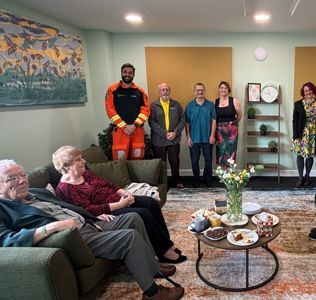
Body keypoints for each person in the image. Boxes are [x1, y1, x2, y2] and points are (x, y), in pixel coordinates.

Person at [0, 160, 184, 300]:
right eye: (12, 178)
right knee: (129, 237)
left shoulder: (37, 192)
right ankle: (152, 293)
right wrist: (52, 227)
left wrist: (94, 215)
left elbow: (69, 206)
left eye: (22, 175)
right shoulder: (3, 207)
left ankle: (152, 267)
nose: (22, 181)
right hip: (73, 238)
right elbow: (6, 240)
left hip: (88, 222)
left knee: (134, 217)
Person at [52, 146, 187, 264]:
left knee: (150, 202)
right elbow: (88, 209)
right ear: (66, 166)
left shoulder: (85, 174)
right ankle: (163, 252)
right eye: (78, 160)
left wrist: (124, 192)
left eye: (81, 158)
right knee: (142, 213)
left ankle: (165, 243)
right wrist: (120, 204)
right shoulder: (65, 189)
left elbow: (107, 184)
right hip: (107, 211)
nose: (84, 162)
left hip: (119, 199)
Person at [105, 63, 150, 160]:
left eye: (130, 73)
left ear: (134, 74)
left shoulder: (140, 91)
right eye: (125, 72)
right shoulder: (112, 90)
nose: (127, 74)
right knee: (120, 159)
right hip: (120, 130)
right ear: (121, 73)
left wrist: (134, 125)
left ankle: (136, 176)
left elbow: (146, 110)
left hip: (136, 129)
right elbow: (110, 109)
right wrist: (123, 126)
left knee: (137, 157)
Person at [149, 83, 185, 189]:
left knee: (175, 161)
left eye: (167, 90)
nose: (165, 91)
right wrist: (164, 133)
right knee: (160, 163)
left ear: (169, 91)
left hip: (173, 139)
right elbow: (151, 122)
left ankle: (177, 180)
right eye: (162, 90)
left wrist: (175, 132)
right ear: (159, 92)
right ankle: (162, 183)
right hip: (159, 140)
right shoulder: (153, 105)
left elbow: (182, 119)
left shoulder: (176, 104)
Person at [291, 82, 316, 187]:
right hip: (301, 133)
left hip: (314, 133)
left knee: (310, 155)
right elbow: (295, 121)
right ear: (303, 92)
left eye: (310, 90)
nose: (308, 92)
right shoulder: (298, 104)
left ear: (313, 90)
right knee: (300, 155)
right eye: (306, 90)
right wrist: (295, 136)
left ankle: (307, 177)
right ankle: (300, 177)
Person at [185, 83, 216, 187]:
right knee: (194, 161)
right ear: (194, 91)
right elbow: (187, 122)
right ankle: (196, 179)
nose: (200, 92)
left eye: (202, 90)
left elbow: (214, 121)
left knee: (208, 161)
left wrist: (212, 135)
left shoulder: (210, 105)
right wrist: (188, 137)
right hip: (194, 139)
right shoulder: (189, 106)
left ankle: (208, 179)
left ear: (204, 91)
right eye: (198, 90)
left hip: (207, 138)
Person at [215, 81, 242, 167]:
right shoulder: (215, 102)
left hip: (232, 133)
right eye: (222, 88)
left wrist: (232, 125)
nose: (223, 90)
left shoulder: (234, 101)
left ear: (228, 90)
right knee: (221, 152)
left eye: (225, 88)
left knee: (231, 153)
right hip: (219, 132)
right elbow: (214, 118)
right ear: (219, 90)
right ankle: (223, 176)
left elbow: (240, 115)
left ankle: (231, 176)